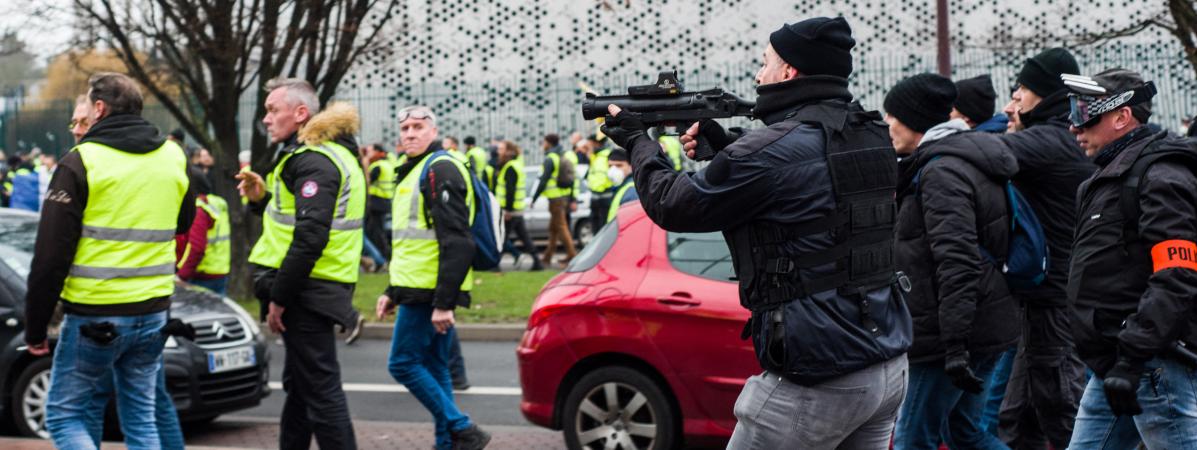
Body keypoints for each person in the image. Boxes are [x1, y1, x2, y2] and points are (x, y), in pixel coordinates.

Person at [602, 17, 911, 448]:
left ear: (789, 73)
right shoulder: (869, 132)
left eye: (764, 63)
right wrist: (727, 147)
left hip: (819, 376)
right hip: (886, 364)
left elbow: (674, 204)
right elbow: (811, 185)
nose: (757, 75)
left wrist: (638, 143)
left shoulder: (770, 152)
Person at [25, 72, 194, 450]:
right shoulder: (172, 156)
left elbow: (50, 256)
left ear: (99, 108)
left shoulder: (80, 161)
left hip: (94, 314)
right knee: (141, 418)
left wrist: (35, 328)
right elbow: (184, 222)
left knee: (63, 415)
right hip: (153, 310)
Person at [1062, 69, 1197, 449]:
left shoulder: (1159, 174)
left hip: (1154, 364)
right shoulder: (1112, 176)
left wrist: (1134, 356)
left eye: (1084, 113)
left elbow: (1177, 273)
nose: (1075, 127)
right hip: (1117, 361)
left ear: (1121, 117)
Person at [883, 74, 1019, 450]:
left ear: (915, 119)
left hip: (951, 335)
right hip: (980, 324)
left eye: (892, 114)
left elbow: (957, 260)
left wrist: (955, 345)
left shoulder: (942, 171)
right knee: (964, 432)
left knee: (914, 439)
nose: (888, 123)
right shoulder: (957, 158)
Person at [237, 78, 363, 450]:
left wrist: (279, 297)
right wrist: (260, 199)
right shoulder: (322, 154)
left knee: (322, 393)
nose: (266, 119)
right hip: (315, 285)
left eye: (273, 110)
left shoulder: (313, 159)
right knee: (301, 388)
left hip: (308, 291)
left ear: (301, 114)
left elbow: (310, 237)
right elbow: (290, 218)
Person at [376, 105, 491, 450]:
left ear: (433, 131)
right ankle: (447, 444)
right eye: (405, 128)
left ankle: (462, 428)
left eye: (418, 127)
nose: (410, 133)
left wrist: (443, 303)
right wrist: (391, 290)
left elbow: (458, 242)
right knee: (437, 367)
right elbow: (412, 244)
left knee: (402, 364)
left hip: (428, 292)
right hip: (416, 285)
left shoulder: (440, 168)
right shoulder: (415, 170)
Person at [995, 48, 1093, 450]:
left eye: (1020, 89)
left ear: (1043, 92)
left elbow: (982, 154)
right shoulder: (1060, 136)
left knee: (1062, 403)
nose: (1012, 100)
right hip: (1047, 294)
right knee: (1018, 414)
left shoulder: (1050, 140)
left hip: (1056, 297)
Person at [176, 167, 232, 295]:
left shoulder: (198, 209)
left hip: (201, 276)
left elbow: (197, 248)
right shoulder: (216, 202)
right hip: (219, 271)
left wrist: (181, 276)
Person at [495, 140, 544, 271]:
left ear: (508, 151)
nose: (498, 151)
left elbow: (510, 191)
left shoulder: (510, 167)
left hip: (511, 211)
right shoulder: (515, 165)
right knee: (524, 237)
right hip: (517, 210)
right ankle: (537, 262)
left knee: (501, 238)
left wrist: (507, 211)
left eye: (501, 149)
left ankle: (494, 264)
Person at [531, 133, 578, 267]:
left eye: (543, 142)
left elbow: (543, 180)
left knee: (561, 228)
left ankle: (572, 255)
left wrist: (534, 198)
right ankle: (547, 256)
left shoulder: (550, 158)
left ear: (548, 143)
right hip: (561, 197)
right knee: (553, 229)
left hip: (555, 199)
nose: (542, 145)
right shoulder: (560, 155)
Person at [365, 142, 396, 262]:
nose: (368, 154)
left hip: (376, 202)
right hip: (385, 201)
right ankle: (385, 255)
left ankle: (383, 257)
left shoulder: (377, 166)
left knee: (376, 232)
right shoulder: (388, 164)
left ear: (378, 152)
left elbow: (367, 181)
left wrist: (366, 164)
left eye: (370, 151)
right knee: (380, 231)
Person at [581, 135, 615, 229]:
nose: (588, 146)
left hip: (605, 196)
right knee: (595, 224)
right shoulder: (595, 156)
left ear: (596, 143)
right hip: (595, 196)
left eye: (590, 144)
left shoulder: (607, 155)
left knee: (605, 225)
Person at [604, 147, 638, 222]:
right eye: (610, 166)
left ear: (631, 166)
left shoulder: (633, 190)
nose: (613, 170)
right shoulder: (620, 186)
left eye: (619, 165)